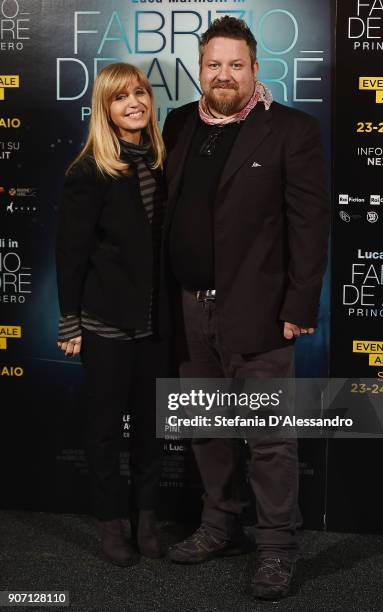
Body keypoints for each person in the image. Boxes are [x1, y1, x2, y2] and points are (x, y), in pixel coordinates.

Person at [162, 16, 329, 600]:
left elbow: (309, 226)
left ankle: (277, 549)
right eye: (214, 64)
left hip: (258, 311)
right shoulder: (180, 121)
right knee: (206, 429)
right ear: (200, 69)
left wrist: (300, 302)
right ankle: (217, 527)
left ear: (256, 69)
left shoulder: (291, 130)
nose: (224, 74)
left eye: (236, 64)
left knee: (268, 437)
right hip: (187, 312)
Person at [56, 62, 169, 567]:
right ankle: (110, 523)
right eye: (121, 97)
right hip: (104, 324)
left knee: (150, 427)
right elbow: (70, 253)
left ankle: (146, 517)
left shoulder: (162, 163)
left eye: (141, 93)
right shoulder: (89, 171)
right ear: (105, 109)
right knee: (104, 429)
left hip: (154, 325)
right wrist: (69, 322)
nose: (134, 103)